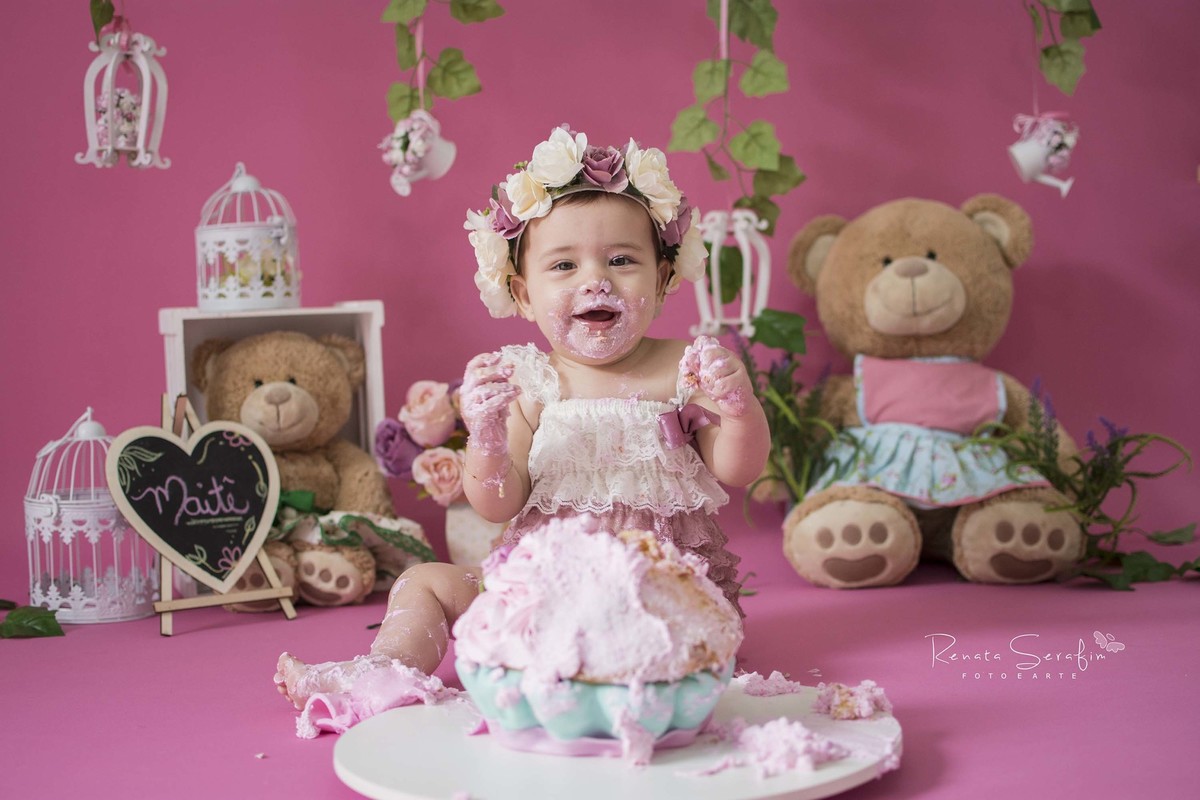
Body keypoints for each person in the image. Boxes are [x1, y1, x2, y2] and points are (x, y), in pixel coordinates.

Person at [274, 126, 770, 731]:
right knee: (425, 581)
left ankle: (602, 678)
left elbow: (738, 468)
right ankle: (385, 672)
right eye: (563, 265)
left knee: (658, 631)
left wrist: (739, 407)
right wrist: (484, 438)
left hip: (653, 601)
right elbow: (496, 502)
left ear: (664, 280)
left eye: (621, 260)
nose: (596, 280)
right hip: (544, 595)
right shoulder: (530, 381)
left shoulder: (685, 368)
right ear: (524, 294)